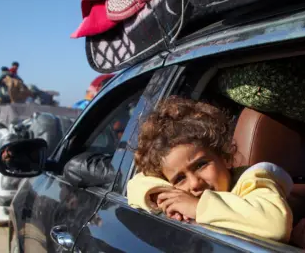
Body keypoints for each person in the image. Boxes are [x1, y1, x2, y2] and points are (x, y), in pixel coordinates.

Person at [126, 97, 294, 242]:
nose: (194, 183)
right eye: (179, 179)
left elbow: (276, 226)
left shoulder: (253, 180)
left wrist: (197, 207)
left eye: (201, 165)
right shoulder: (179, 196)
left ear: (224, 157)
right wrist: (160, 193)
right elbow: (135, 184)